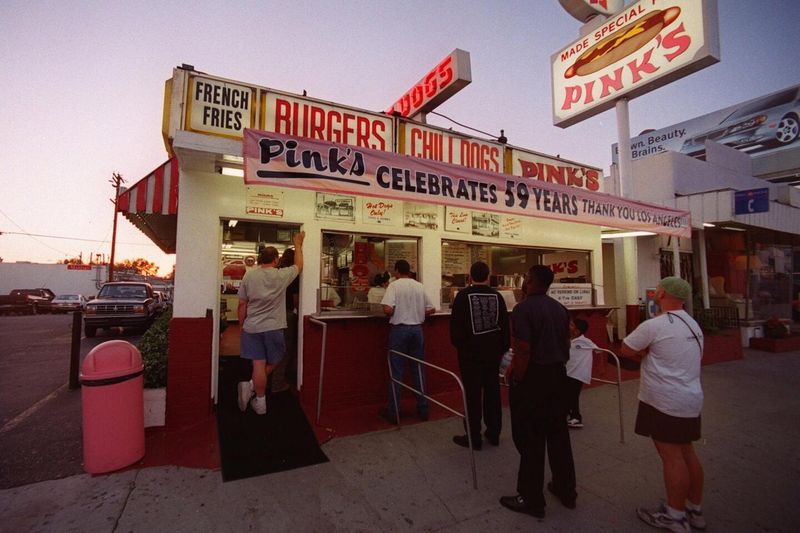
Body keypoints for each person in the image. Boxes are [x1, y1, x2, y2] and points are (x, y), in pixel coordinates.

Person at [621, 276, 705, 533]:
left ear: (662, 294)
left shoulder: (655, 325)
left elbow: (626, 349)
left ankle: (675, 517)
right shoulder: (692, 324)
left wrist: (644, 352)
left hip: (664, 400)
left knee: (671, 457)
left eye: (658, 288)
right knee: (687, 452)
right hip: (690, 397)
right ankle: (694, 510)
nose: (655, 290)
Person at [500, 265, 576, 519]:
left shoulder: (523, 309)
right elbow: (567, 340)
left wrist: (517, 376)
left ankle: (531, 498)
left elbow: (523, 349)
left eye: (526, 278)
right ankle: (566, 490)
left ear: (530, 280)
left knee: (531, 438)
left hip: (534, 378)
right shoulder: (560, 308)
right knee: (558, 435)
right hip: (558, 375)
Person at [236, 231, 305, 415]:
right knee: (278, 358)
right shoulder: (281, 276)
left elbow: (242, 304)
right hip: (274, 327)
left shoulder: (249, 276)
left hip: (252, 328)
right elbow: (299, 265)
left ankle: (260, 402)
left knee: (258, 364)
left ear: (260, 260)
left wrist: (241, 325)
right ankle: (252, 389)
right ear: (276, 259)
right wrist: (298, 244)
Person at [449, 261, 510, 450]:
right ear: (488, 276)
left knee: (472, 395)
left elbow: (455, 329)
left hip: (470, 355)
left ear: (470, 277)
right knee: (493, 393)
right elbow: (505, 327)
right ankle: (494, 433)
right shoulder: (498, 296)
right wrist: (502, 349)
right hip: (493, 354)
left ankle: (473, 437)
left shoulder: (462, 296)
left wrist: (462, 347)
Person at [379, 259, 435, 424]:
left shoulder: (394, 286)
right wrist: (417, 313)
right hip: (417, 330)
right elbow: (431, 309)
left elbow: (387, 309)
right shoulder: (419, 286)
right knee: (418, 369)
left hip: (400, 330)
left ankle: (394, 411)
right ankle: (423, 408)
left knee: (396, 371)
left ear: (397, 271)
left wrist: (398, 311)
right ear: (409, 271)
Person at [270, 248, 300, 393]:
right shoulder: (292, 275)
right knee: (285, 349)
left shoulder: (274, 272)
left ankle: (266, 378)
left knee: (272, 347)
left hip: (271, 314)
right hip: (286, 314)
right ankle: (277, 382)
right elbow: (296, 300)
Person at [565, 318, 597, 429]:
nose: (568, 326)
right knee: (566, 394)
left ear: (577, 331)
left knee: (573, 396)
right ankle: (567, 413)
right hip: (568, 372)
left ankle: (576, 418)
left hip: (578, 374)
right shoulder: (568, 339)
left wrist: (600, 367)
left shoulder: (585, 341)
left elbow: (599, 350)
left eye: (571, 325)